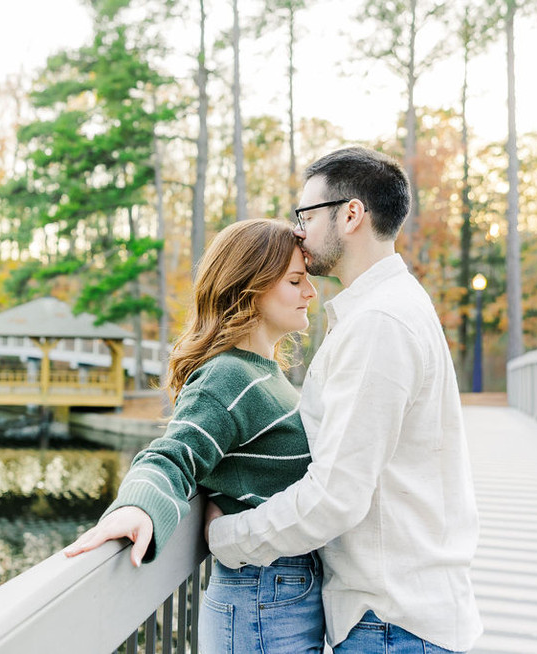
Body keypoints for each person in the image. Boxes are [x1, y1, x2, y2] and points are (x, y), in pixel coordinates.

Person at [206, 146, 483, 654]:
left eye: (305, 215)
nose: (298, 232)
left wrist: (227, 538)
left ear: (351, 214)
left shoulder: (379, 323)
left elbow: (335, 497)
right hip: (402, 617)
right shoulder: (388, 307)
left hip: (395, 624)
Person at [64, 218, 325, 654]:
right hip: (262, 595)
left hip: (285, 590)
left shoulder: (265, 374)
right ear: (250, 287)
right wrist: (138, 507)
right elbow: (172, 456)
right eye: (295, 280)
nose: (310, 292)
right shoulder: (227, 375)